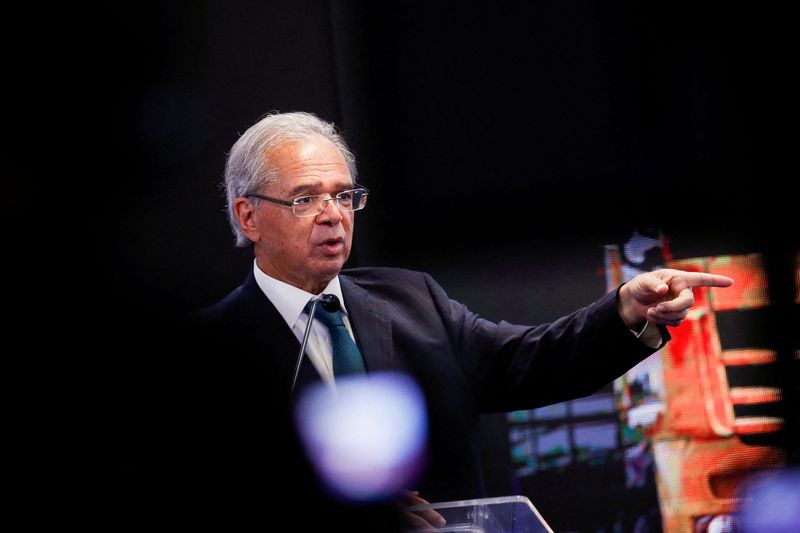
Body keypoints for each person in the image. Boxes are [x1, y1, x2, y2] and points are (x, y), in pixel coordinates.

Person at [191, 111, 732, 520]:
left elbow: (529, 359)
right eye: (307, 200)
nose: (333, 216)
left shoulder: (411, 300)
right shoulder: (210, 351)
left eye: (344, 196)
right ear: (249, 216)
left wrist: (625, 310)